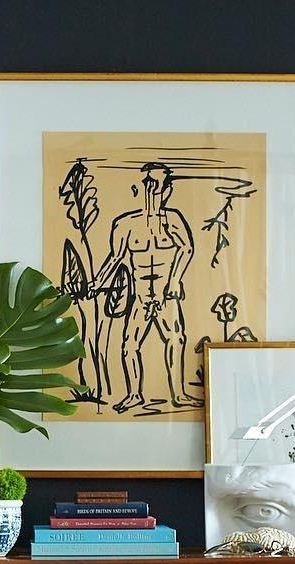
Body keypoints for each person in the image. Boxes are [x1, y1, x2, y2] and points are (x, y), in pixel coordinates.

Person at [90, 163, 202, 414]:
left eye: (157, 183)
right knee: (129, 343)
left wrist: (174, 280)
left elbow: (186, 249)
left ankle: (179, 394)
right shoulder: (125, 224)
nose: (151, 189)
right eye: (147, 183)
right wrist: (97, 283)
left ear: (167, 189)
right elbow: (115, 258)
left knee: (176, 338)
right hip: (140, 295)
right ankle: (134, 394)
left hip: (166, 293)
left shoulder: (173, 219)